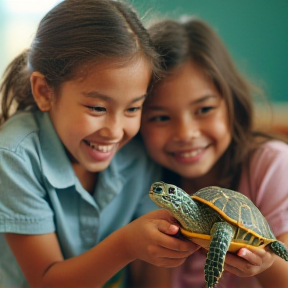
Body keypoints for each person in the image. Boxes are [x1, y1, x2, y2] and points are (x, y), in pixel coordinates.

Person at [0, 2, 199, 287]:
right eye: (97, 108)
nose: (115, 131)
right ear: (45, 91)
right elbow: (47, 281)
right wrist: (127, 244)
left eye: (133, 109)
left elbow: (153, 273)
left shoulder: (139, 151)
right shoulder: (15, 156)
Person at [139, 17, 288, 288]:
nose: (186, 133)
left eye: (204, 109)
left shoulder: (273, 165)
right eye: (161, 117)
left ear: (233, 103)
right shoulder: (139, 180)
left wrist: (265, 264)